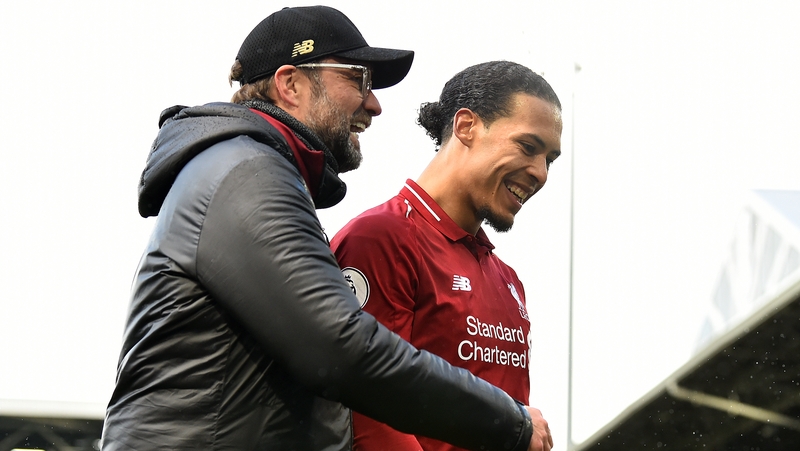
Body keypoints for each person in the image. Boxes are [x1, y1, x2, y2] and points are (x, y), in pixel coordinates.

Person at [102, 7, 549, 451]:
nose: (374, 103)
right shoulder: (246, 170)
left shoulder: (254, 169)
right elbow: (339, 349)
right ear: (290, 84)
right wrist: (510, 423)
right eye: (358, 79)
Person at [331, 61, 563, 451]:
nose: (540, 173)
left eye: (550, 160)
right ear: (466, 126)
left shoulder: (508, 280)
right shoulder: (381, 238)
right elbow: (371, 418)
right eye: (528, 147)